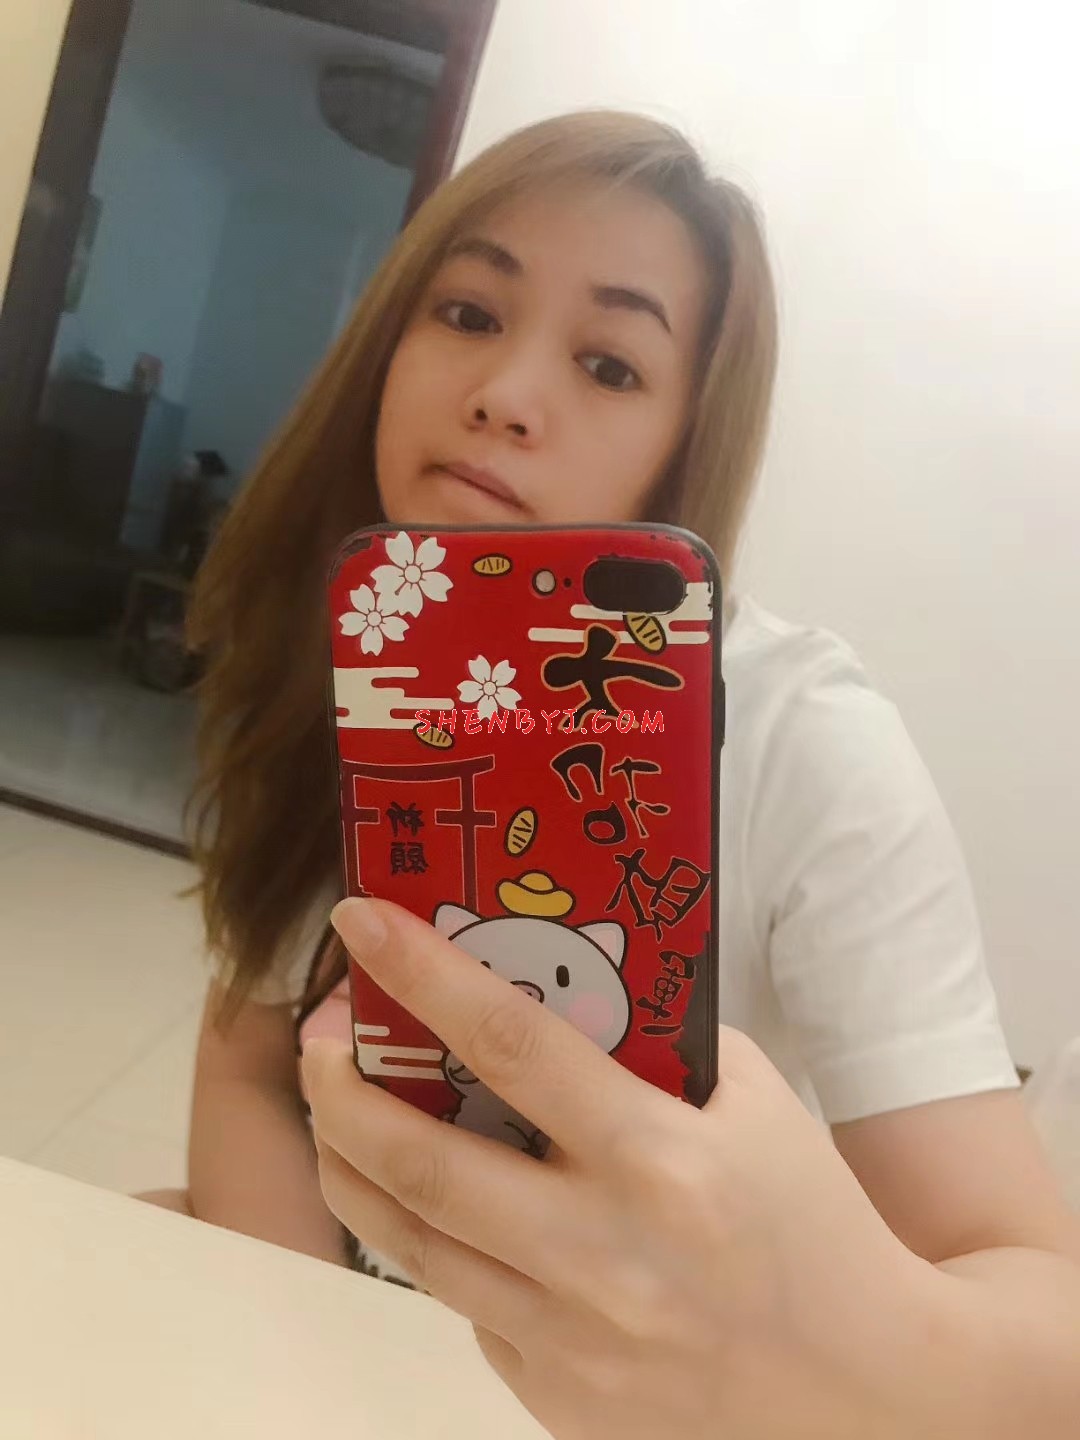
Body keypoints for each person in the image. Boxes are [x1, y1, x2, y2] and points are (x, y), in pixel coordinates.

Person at [144, 113, 1080, 1433]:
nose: (506, 393)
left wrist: (799, 1333)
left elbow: (1046, 1322)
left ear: (684, 442)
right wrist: (311, 1353)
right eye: (468, 312)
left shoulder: (804, 739)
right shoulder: (349, 643)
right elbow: (247, 1057)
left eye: (609, 363)